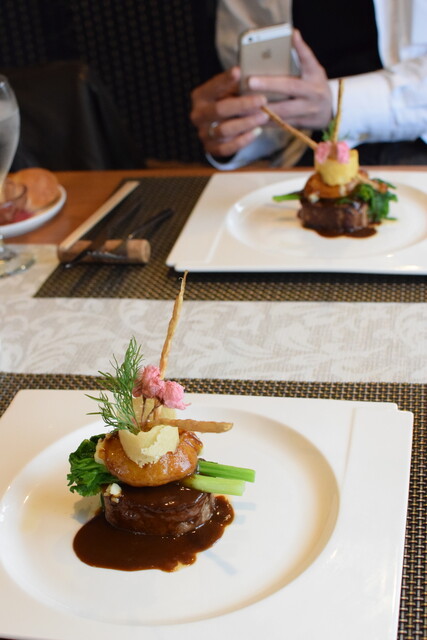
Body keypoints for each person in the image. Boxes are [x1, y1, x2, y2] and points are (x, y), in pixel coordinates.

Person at [190, 0, 427, 169]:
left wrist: (334, 105)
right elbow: (269, 109)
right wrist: (234, 131)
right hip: (304, 152)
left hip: (418, 144)